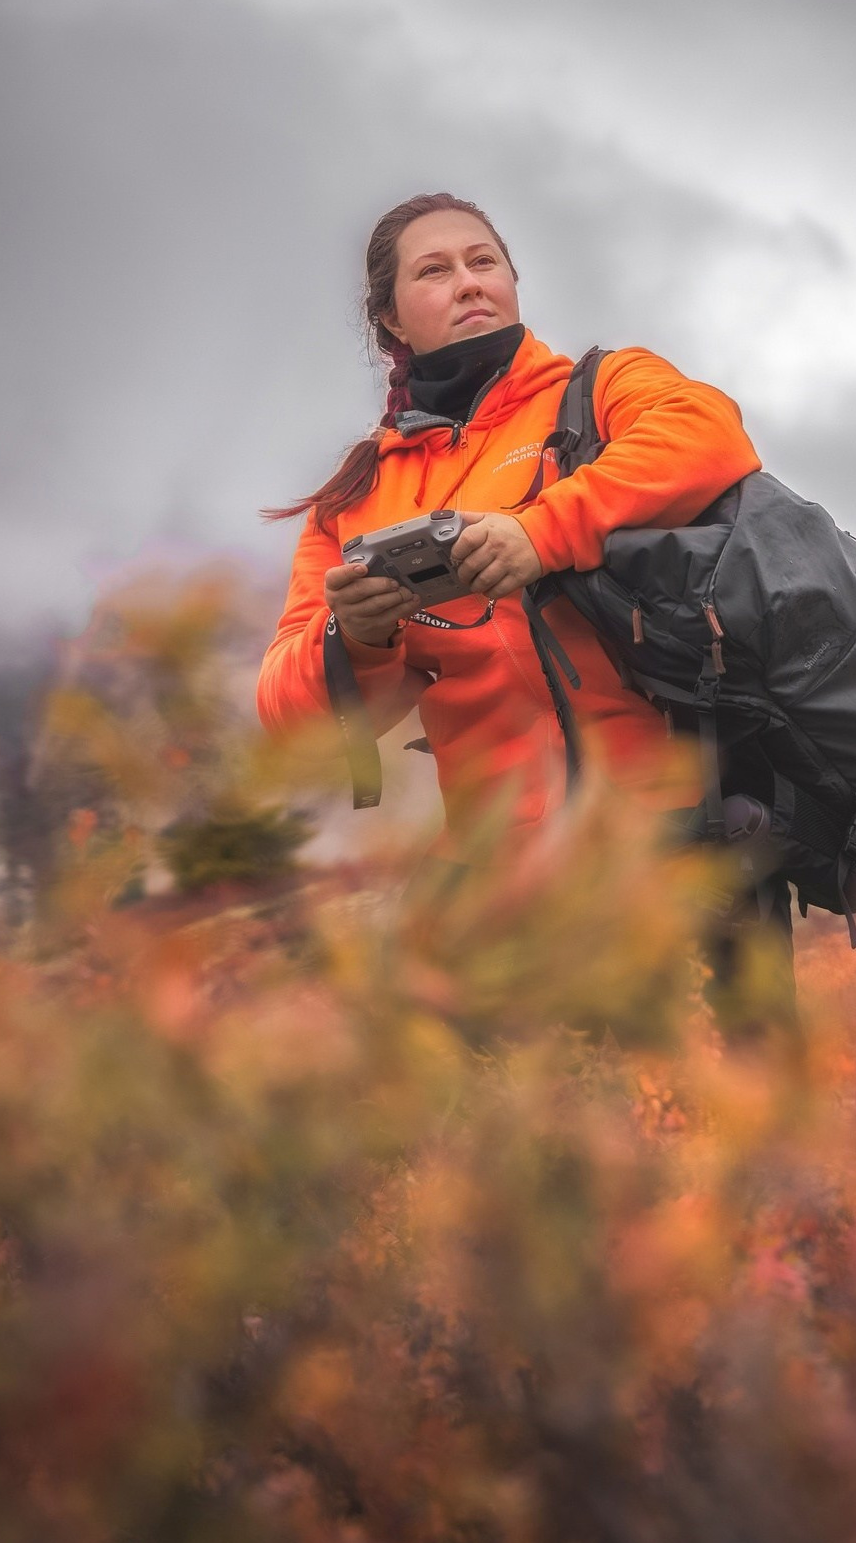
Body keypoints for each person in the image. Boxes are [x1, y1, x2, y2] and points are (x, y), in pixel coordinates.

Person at [257, 192, 791, 1027]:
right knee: (535, 1113)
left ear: (511, 279)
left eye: (484, 261)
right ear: (390, 318)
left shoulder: (598, 389)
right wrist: (354, 635)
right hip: (499, 885)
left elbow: (709, 433)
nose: (469, 282)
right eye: (435, 271)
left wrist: (542, 533)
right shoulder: (354, 500)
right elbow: (285, 716)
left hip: (678, 840)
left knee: (741, 1104)